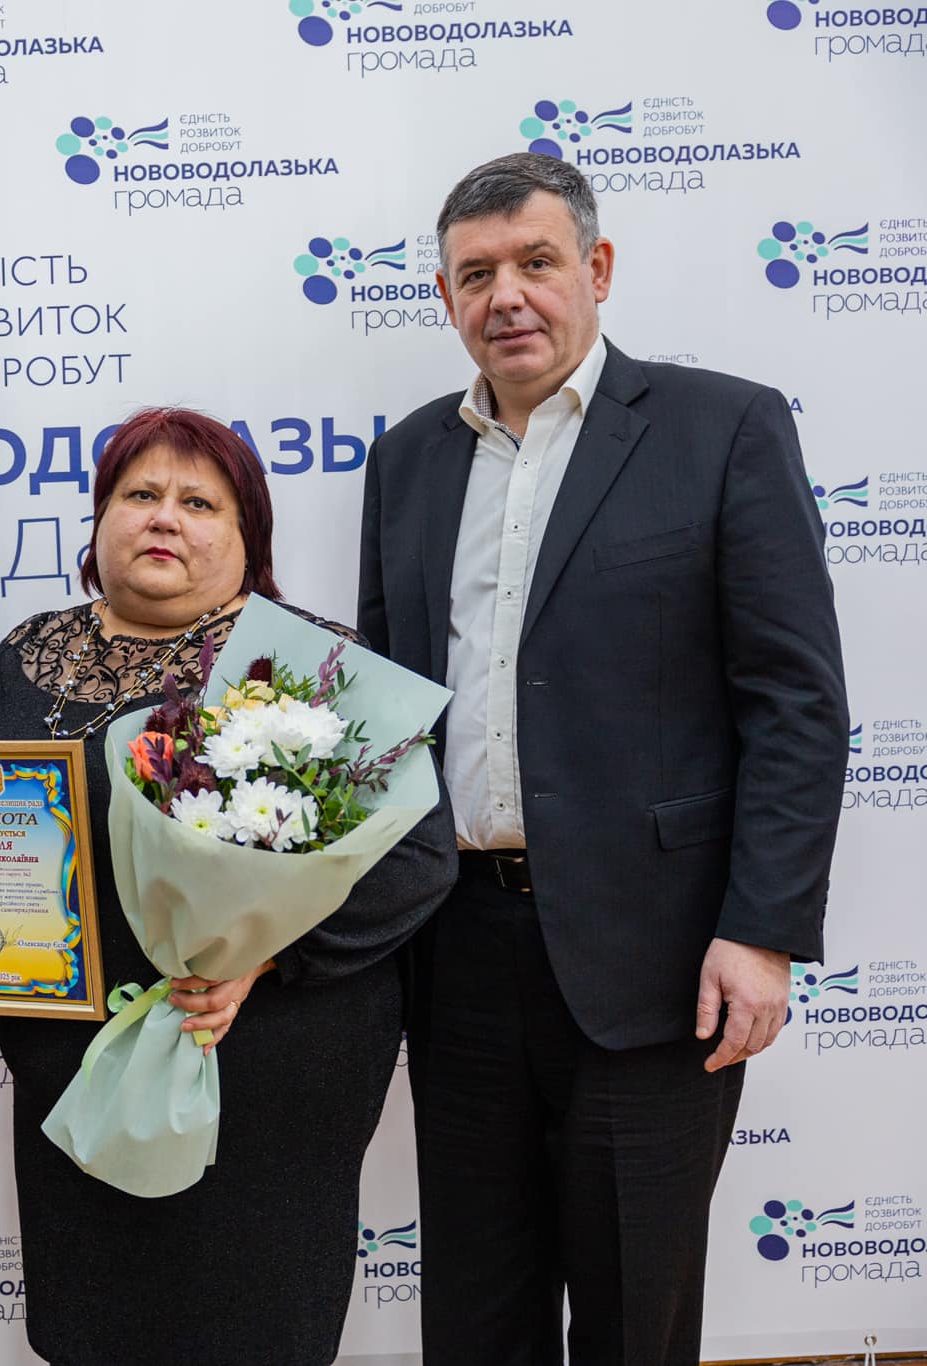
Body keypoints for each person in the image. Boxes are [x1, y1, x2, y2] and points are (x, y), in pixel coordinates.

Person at [358, 153, 847, 1365]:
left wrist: (760, 929)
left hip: (657, 959)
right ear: (443, 296)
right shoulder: (405, 459)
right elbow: (387, 703)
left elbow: (793, 701)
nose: (506, 296)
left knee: (635, 1318)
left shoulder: (720, 428)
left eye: (534, 262)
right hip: (457, 954)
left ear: (597, 267)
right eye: (476, 274)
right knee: (473, 1318)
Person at [0, 406, 457, 1366]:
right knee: (93, 1323)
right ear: (99, 519)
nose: (164, 518)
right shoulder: (29, 657)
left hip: (267, 1056)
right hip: (73, 1059)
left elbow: (416, 858)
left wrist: (262, 958)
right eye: (139, 494)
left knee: (254, 1325)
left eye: (199, 503)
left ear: (248, 538)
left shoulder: (311, 664)